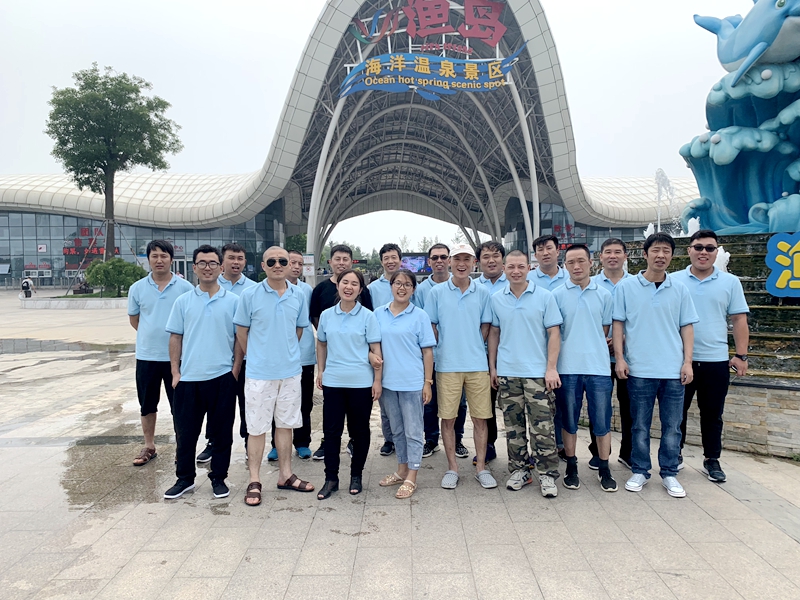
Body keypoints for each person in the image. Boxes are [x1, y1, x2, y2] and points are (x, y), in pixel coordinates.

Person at [613, 233, 699, 499]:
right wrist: (620, 358)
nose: (661, 256)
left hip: (673, 371)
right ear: (645, 253)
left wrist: (687, 362)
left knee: (673, 426)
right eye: (656, 250)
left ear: (672, 255)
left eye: (666, 251)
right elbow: (618, 325)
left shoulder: (680, 289)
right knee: (639, 425)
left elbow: (687, 327)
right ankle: (640, 470)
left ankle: (670, 473)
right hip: (639, 370)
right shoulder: (626, 287)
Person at [235, 247, 314, 506]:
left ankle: (286, 474)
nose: (278, 265)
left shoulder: (298, 295)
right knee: (256, 427)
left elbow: (298, 330)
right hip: (259, 374)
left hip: (290, 372)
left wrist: (285, 353)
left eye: (282, 261)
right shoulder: (249, 295)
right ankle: (254, 480)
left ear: (289, 264)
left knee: (286, 424)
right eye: (272, 261)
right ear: (263, 266)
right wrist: (256, 356)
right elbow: (242, 331)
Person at [164, 245, 242, 499]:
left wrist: (235, 370)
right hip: (189, 379)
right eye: (202, 263)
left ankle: (218, 477)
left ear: (221, 267)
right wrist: (175, 372)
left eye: (212, 263)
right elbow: (175, 337)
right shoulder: (183, 301)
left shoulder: (234, 302)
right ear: (194, 268)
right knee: (186, 434)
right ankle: (184, 479)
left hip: (222, 377)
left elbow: (239, 338)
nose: (207, 268)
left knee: (222, 433)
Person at [672, 230, 750, 483]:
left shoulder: (730, 282)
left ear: (716, 252)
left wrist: (741, 355)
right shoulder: (673, 280)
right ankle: (674, 454)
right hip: (679, 360)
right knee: (676, 413)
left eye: (709, 248)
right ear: (689, 250)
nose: (703, 252)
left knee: (713, 413)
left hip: (716, 360)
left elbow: (738, 319)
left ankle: (712, 459)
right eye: (698, 247)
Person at [488, 250, 562, 497]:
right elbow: (494, 334)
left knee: (543, 428)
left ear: (529, 267)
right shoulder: (497, 299)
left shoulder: (544, 297)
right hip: (508, 373)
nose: (516, 271)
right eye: (511, 267)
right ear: (504, 269)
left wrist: (551, 368)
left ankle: (547, 474)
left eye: (521, 266)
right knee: (513, 428)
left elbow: (554, 333)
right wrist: (493, 367)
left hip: (537, 374)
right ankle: (520, 470)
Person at [425, 243, 497, 490]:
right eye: (457, 259)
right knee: (448, 418)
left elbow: (486, 326)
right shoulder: (436, 293)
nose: (461, 264)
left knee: (480, 418)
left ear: (474, 263)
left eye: (467, 259)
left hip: (477, 364)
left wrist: (473, 344)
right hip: (447, 365)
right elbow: (432, 325)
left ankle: (481, 468)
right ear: (450, 262)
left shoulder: (483, 292)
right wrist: (444, 347)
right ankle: (452, 468)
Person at [553, 245, 617, 492]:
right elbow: (555, 333)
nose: (576, 266)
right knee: (569, 420)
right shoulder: (556, 295)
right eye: (571, 262)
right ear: (565, 265)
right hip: (567, 367)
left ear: (591, 262)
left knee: (602, 420)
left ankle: (604, 467)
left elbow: (604, 330)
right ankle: (571, 466)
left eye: (581, 261)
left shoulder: (604, 295)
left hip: (598, 367)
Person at [315, 269, 382, 499]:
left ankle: (356, 475)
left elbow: (376, 350)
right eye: (345, 282)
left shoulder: (368, 316)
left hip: (361, 383)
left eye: (354, 284)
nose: (349, 287)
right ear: (338, 285)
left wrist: (377, 380)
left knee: (359, 431)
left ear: (360, 290)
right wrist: (321, 370)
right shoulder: (326, 315)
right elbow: (321, 343)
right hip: (334, 381)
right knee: (331, 431)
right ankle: (331, 478)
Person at [128, 240, 193, 466]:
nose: (159, 260)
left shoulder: (185, 288)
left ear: (171, 259)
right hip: (147, 357)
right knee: (147, 404)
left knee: (180, 406)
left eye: (163, 256)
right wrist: (152, 336)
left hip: (177, 358)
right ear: (148, 259)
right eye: (154, 256)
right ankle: (149, 445)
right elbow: (135, 320)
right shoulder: (137, 288)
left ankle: (181, 448)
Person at [374, 269, 435, 499]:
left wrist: (427, 382)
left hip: (412, 383)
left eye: (407, 284)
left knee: (413, 431)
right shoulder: (378, 314)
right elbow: (372, 345)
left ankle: (412, 476)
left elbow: (427, 352)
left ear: (413, 289)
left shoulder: (419, 316)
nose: (402, 288)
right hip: (388, 383)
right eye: (398, 283)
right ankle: (401, 470)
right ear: (391, 286)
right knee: (396, 430)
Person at [309, 244, 373, 461]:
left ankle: (355, 443)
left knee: (358, 417)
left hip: (357, 365)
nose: (341, 263)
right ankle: (327, 446)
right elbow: (316, 320)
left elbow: (369, 323)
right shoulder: (320, 290)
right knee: (332, 417)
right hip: (333, 360)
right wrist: (331, 339)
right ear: (331, 262)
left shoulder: (364, 296)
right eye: (338, 259)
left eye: (346, 259)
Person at [196, 243, 256, 464]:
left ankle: (250, 442)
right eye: (231, 258)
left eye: (240, 258)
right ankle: (213, 442)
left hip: (247, 359)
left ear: (245, 262)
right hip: (218, 360)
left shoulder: (253, 289)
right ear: (222, 262)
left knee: (248, 403)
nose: (236, 262)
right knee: (216, 406)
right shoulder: (209, 284)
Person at [413, 243, 469, 460]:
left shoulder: (462, 285)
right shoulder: (421, 290)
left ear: (449, 260)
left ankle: (458, 439)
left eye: (443, 257)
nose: (439, 261)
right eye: (434, 257)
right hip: (431, 356)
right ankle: (431, 439)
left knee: (459, 402)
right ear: (429, 262)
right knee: (429, 400)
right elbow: (421, 322)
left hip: (457, 356)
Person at [265, 249, 317, 461]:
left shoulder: (307, 291)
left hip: (304, 356)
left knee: (304, 403)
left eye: (299, 264)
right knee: (276, 403)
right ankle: (276, 445)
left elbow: (308, 321)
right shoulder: (268, 291)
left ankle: (302, 442)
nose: (295, 267)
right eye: (292, 262)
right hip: (277, 359)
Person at [591, 239, 633, 470]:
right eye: (608, 252)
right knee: (599, 407)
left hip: (629, 357)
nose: (613, 256)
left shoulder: (636, 284)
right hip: (598, 358)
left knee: (630, 407)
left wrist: (622, 339)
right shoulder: (590, 284)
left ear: (625, 256)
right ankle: (598, 453)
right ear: (601, 257)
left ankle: (628, 452)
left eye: (618, 252)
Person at [526, 234, 569, 460]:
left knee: (562, 403)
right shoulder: (528, 279)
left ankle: (560, 445)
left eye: (549, 248)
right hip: (534, 352)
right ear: (535, 255)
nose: (545, 253)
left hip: (566, 351)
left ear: (557, 251)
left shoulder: (570, 277)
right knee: (538, 406)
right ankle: (538, 448)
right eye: (540, 249)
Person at [368, 242, 404, 457]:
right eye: (386, 258)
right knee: (385, 398)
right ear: (382, 261)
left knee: (407, 398)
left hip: (404, 349)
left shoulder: (408, 283)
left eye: (394, 257)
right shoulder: (373, 288)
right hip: (381, 349)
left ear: (400, 260)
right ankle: (389, 439)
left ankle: (408, 437)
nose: (390, 261)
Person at [475, 241, 508, 465]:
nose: (491, 260)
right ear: (479, 262)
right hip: (482, 355)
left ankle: (522, 448)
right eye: (486, 256)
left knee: (517, 405)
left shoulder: (515, 281)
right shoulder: (473, 286)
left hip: (512, 354)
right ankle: (488, 444)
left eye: (495, 255)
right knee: (485, 404)